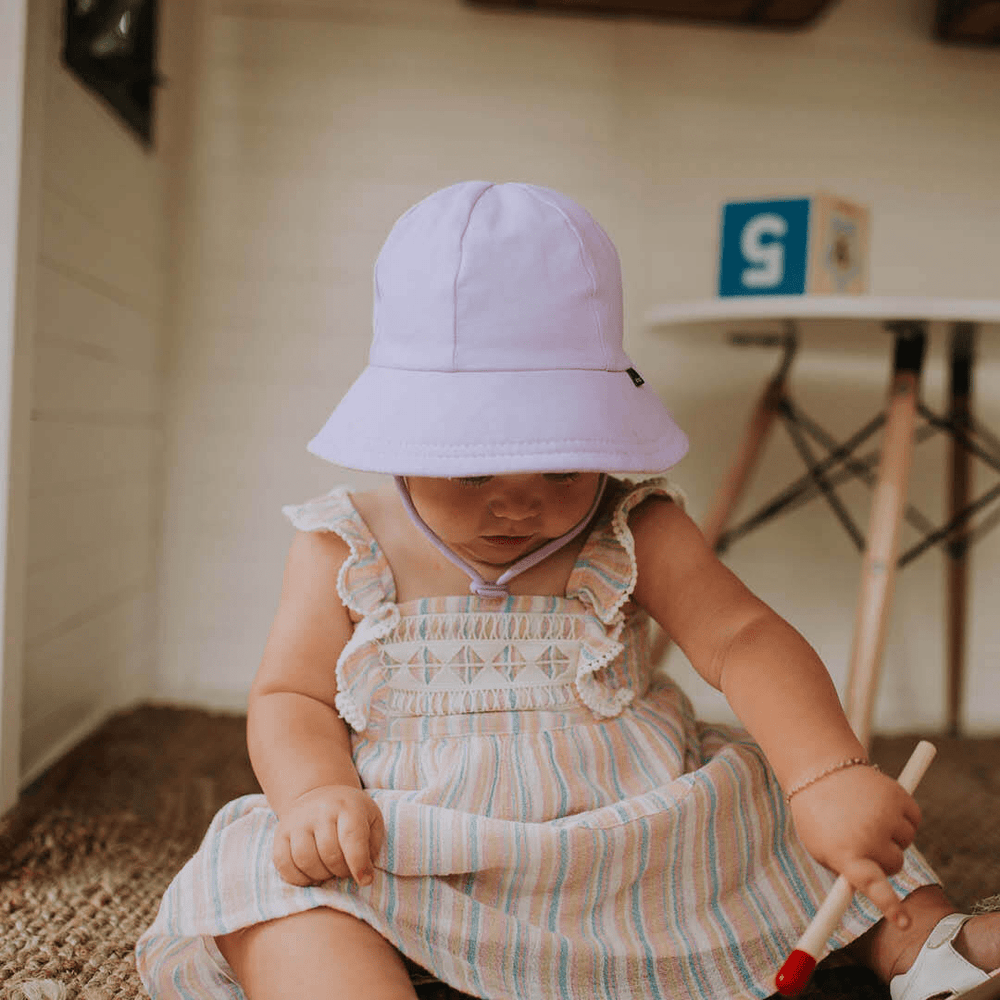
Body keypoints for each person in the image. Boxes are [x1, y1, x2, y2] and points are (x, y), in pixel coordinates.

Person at [135, 181, 999, 1000]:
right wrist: (318, 793)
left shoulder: (633, 523)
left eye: (561, 464)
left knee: (766, 803)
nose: (520, 504)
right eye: (473, 469)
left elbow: (743, 639)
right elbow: (291, 695)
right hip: (416, 838)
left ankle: (927, 945)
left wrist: (825, 775)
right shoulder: (345, 542)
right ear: (402, 435)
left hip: (633, 836)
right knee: (272, 877)